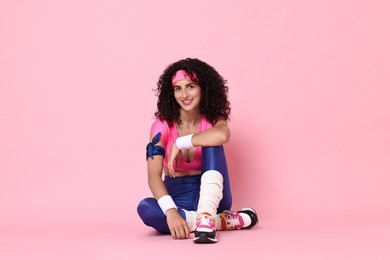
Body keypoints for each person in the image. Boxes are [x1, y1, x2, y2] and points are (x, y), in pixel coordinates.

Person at [137, 58, 258, 243]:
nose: (184, 94)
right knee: (145, 208)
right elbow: (153, 177)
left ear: (203, 88)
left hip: (215, 195)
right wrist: (171, 212)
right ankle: (218, 221)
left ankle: (208, 213)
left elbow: (223, 135)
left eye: (191, 86)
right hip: (178, 198)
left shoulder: (213, 120)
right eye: (178, 88)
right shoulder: (161, 126)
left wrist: (182, 142)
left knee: (212, 140)